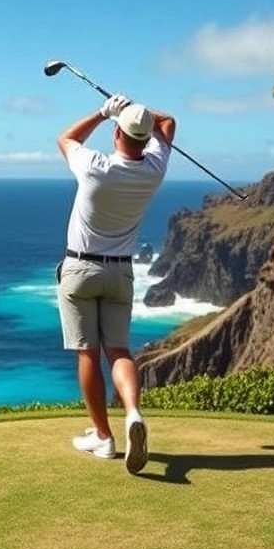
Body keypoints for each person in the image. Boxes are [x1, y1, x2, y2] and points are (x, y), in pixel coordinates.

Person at [54, 93, 175, 474]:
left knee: (87, 353)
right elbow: (168, 122)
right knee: (119, 350)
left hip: (80, 270)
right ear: (143, 139)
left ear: (117, 135)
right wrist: (137, 113)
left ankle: (104, 438)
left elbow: (65, 139)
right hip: (121, 272)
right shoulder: (154, 168)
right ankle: (133, 413)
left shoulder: (95, 166)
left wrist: (104, 112)